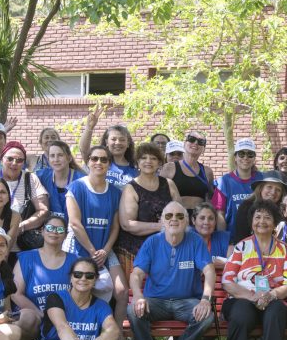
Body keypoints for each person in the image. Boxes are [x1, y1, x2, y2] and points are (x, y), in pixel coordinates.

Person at [128, 201, 217, 340]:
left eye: (179, 216)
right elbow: (136, 274)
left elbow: (209, 270)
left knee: (207, 316)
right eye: (168, 216)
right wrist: (138, 296)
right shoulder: (152, 242)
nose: (174, 220)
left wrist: (205, 299)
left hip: (185, 302)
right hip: (156, 302)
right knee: (133, 311)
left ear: (186, 222)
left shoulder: (195, 241)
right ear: (162, 221)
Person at [221, 200, 287, 340]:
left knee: (276, 311)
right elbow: (227, 280)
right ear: (251, 222)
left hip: (272, 299)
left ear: (274, 223)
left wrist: (271, 295)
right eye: (257, 217)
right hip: (242, 298)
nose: (262, 221)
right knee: (240, 313)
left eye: (267, 217)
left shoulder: (285, 250)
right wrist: (251, 296)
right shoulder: (242, 247)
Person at [65, 144, 128, 328]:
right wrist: (93, 252)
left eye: (104, 159)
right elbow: (75, 223)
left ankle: (117, 337)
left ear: (109, 164)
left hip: (104, 249)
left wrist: (105, 250)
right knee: (77, 291)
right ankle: (75, 332)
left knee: (122, 291)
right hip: (79, 248)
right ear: (88, 162)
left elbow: (115, 226)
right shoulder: (76, 187)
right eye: (94, 158)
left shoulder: (116, 191)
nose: (99, 162)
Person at [117, 142, 179, 280]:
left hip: (166, 249)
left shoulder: (169, 184)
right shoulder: (130, 188)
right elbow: (127, 224)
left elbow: (180, 216)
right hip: (136, 253)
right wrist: (160, 226)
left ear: (159, 163)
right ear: (137, 162)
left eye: (153, 158)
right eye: (144, 158)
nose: (148, 161)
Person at [12, 215, 76, 339]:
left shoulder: (74, 260)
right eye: (50, 228)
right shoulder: (26, 258)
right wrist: (40, 314)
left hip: (66, 319)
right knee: (24, 317)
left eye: (60, 230)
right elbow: (15, 293)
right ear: (42, 231)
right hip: (36, 317)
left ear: (66, 235)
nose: (54, 232)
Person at [0, 141, 50, 250]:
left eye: (19, 160)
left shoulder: (30, 178)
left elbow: (43, 211)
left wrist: (21, 227)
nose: (14, 163)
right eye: (10, 159)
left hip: (22, 247)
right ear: (2, 159)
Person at [79, 104, 138, 190]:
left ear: (128, 143)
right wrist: (89, 128)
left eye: (122, 140)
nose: (117, 143)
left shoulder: (135, 167)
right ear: (107, 142)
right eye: (113, 139)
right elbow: (84, 150)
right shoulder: (98, 161)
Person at [213, 138, 262, 235]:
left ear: (254, 158)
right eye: (241, 154)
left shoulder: (262, 179)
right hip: (232, 240)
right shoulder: (224, 182)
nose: (245, 158)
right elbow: (220, 214)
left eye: (250, 154)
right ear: (235, 157)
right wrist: (224, 240)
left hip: (258, 238)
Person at [229, 172, 287, 245]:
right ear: (261, 188)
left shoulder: (283, 211)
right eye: (269, 187)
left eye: (278, 190)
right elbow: (241, 237)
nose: (273, 192)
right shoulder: (246, 207)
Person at [160, 130, 215, 211]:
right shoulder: (169, 168)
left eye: (201, 142)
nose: (196, 143)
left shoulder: (207, 172)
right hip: (177, 217)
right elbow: (159, 196)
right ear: (185, 144)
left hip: (199, 219)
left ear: (203, 149)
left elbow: (209, 200)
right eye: (192, 139)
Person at [35, 140, 86, 222]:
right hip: (50, 230)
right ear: (48, 159)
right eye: (52, 156)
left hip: (73, 228)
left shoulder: (81, 180)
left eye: (60, 155)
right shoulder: (41, 176)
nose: (56, 159)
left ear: (69, 158)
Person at [192, 202, 231, 266]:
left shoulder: (224, 238)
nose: (206, 222)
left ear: (215, 221)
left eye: (211, 218)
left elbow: (233, 265)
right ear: (193, 220)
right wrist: (216, 264)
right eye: (202, 218)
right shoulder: (187, 239)